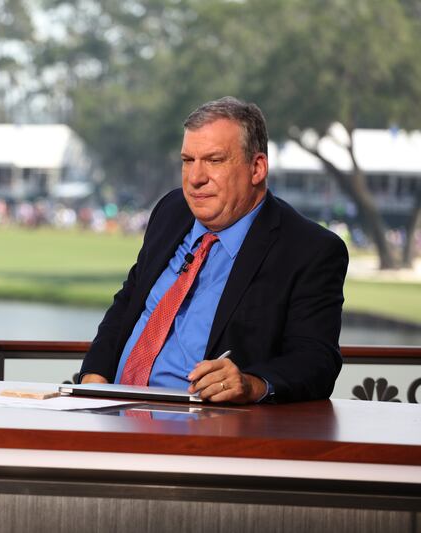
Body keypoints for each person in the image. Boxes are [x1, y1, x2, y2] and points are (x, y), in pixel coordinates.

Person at [80, 96, 348, 403]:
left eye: (214, 160)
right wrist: (94, 378)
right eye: (188, 160)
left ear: (257, 168)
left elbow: (316, 360)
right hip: (110, 411)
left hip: (203, 428)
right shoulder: (171, 210)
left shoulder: (309, 249)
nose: (195, 178)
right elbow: (129, 303)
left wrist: (252, 384)